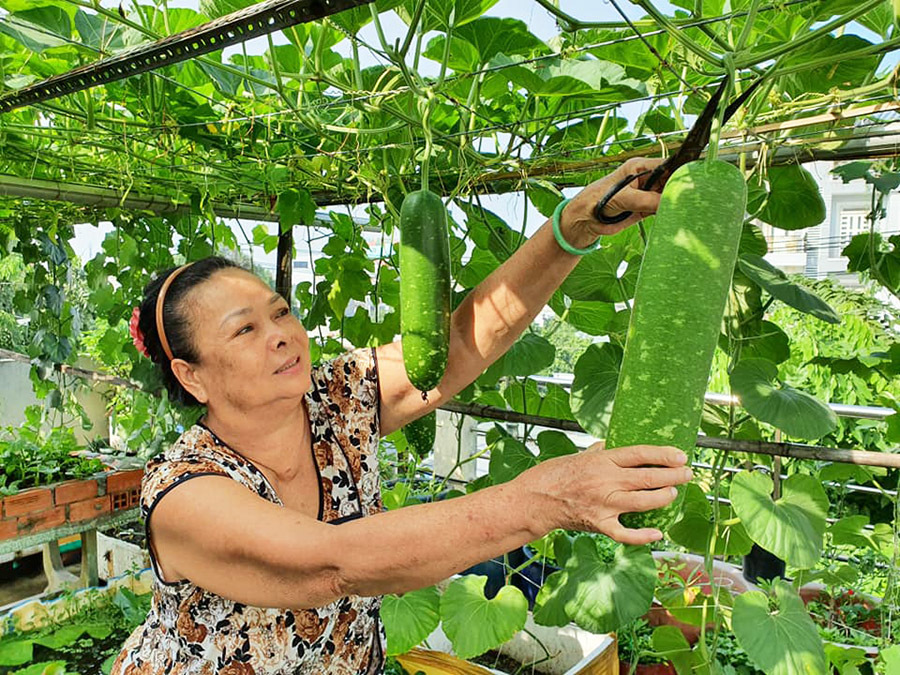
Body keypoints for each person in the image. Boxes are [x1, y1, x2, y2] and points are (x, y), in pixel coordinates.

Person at [111, 157, 692, 675]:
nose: (283, 336)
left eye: (280, 312)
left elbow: (459, 345)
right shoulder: (182, 490)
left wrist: (571, 229)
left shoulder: (333, 398)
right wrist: (546, 498)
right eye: (245, 329)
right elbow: (331, 565)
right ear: (193, 375)